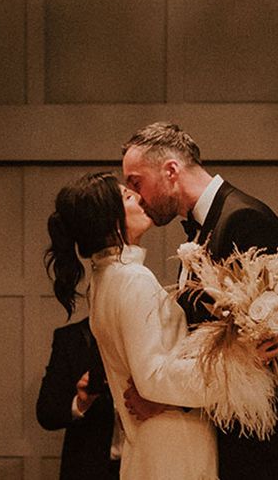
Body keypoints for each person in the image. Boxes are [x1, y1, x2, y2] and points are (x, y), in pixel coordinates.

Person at [122, 122, 278, 480]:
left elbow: (258, 350)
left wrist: (167, 399)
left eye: (137, 182)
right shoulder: (208, 224)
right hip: (235, 428)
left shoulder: (244, 220)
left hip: (266, 435)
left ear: (171, 170)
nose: (135, 196)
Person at [44, 172, 221, 480]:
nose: (140, 198)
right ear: (110, 221)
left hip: (151, 439)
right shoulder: (132, 279)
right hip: (171, 442)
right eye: (128, 197)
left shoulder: (104, 278)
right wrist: (228, 377)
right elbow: (152, 377)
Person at [35, 317, 119, 480]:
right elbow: (47, 413)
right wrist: (81, 404)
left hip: (147, 463)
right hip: (88, 467)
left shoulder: (159, 334)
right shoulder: (74, 338)